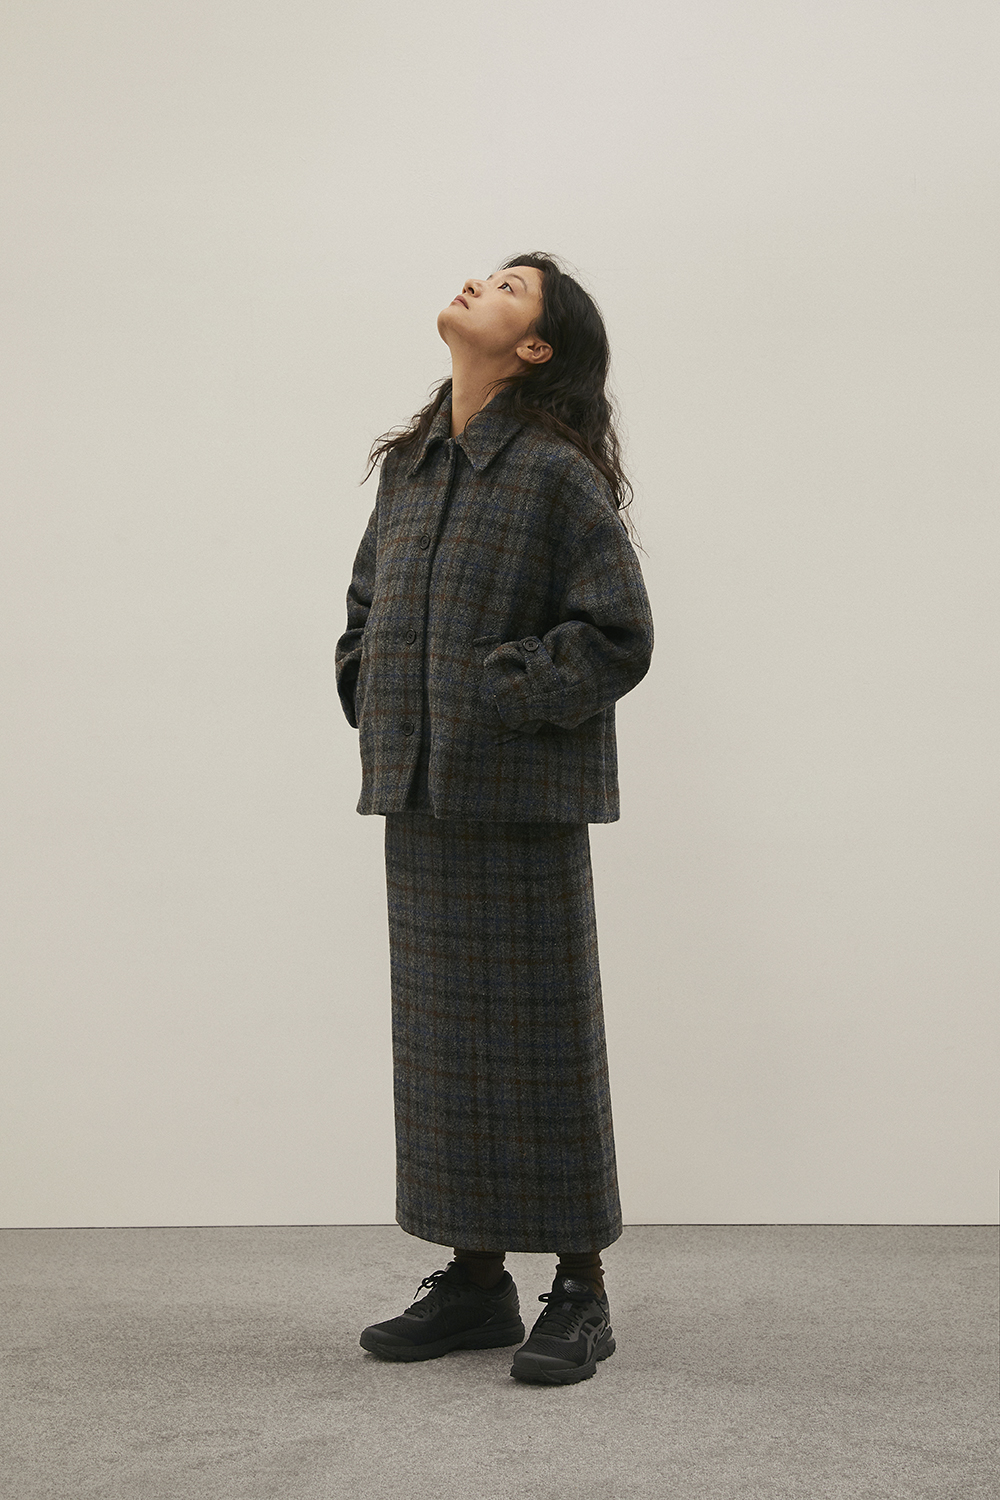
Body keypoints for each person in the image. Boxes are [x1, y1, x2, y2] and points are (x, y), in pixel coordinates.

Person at [335, 251, 654, 1385]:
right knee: (442, 1051)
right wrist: (375, 686)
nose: (481, 284)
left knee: (543, 1042)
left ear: (536, 348)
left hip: (519, 797)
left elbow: (619, 633)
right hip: (419, 792)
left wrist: (494, 691)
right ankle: (476, 1282)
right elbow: (366, 602)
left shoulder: (556, 474)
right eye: (489, 274)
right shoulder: (410, 467)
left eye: (511, 287)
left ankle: (581, 1287)